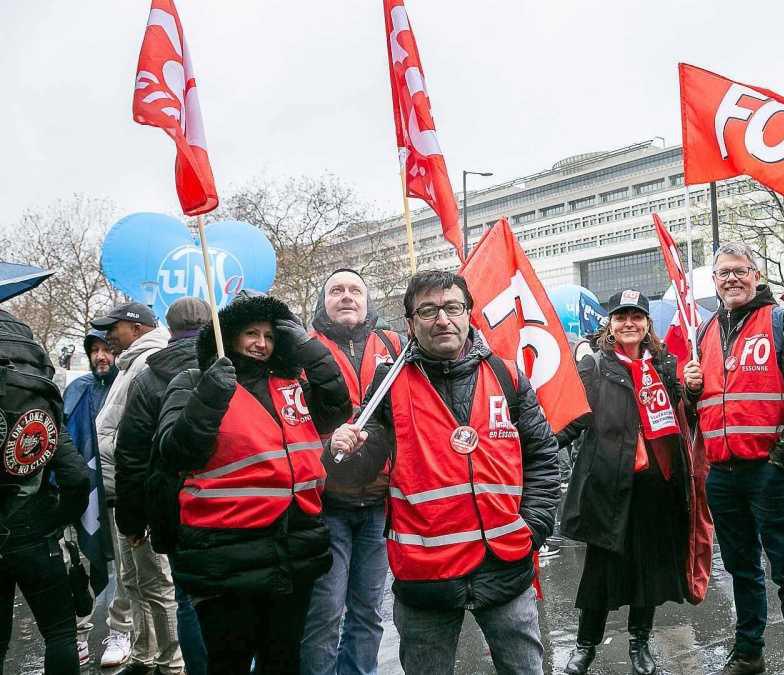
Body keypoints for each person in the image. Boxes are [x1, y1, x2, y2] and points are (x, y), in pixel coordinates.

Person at [329, 270, 559, 675]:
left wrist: (534, 526)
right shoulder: (389, 384)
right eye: (429, 310)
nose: (443, 319)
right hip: (426, 576)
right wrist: (341, 451)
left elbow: (542, 455)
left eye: (453, 308)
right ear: (410, 322)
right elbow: (356, 471)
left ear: (469, 313)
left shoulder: (507, 377)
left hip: (504, 566)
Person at [155, 293, 349, 673]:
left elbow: (336, 408)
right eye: (250, 333)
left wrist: (310, 349)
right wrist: (209, 396)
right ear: (227, 336)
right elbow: (175, 452)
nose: (261, 344)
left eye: (269, 335)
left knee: (283, 660)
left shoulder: (290, 385)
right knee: (230, 662)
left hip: (291, 551)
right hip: (226, 556)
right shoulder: (193, 382)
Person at [682, 242, 784, 675]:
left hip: (768, 470)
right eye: (723, 273)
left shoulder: (782, 321)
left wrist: (782, 460)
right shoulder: (704, 331)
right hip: (722, 473)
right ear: (715, 281)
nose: (732, 279)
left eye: (739, 271)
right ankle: (748, 652)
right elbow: (699, 409)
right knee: (741, 569)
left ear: (756, 275)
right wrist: (689, 390)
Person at [557, 289, 691, 675]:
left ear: (647, 324)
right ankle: (585, 647)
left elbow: (684, 416)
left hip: (656, 487)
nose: (628, 323)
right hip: (608, 488)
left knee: (646, 570)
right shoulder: (595, 367)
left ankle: (639, 643)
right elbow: (573, 417)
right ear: (610, 324)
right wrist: (539, 446)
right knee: (599, 573)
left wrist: (692, 391)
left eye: (636, 316)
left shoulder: (665, 365)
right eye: (621, 317)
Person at [301, 269, 403, 675]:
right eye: (336, 290)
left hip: (380, 501)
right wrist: (327, 444)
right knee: (325, 614)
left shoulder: (393, 345)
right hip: (327, 504)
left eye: (355, 290)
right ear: (322, 301)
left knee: (368, 611)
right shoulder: (304, 350)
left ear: (367, 300)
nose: (347, 297)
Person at [113, 297, 210, 675]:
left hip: (173, 506)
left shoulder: (147, 379)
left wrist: (133, 522)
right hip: (230, 500)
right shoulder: (229, 367)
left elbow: (131, 456)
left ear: (168, 331)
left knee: (186, 599)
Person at [91, 302, 181, 674]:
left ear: (137, 327)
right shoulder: (131, 362)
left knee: (157, 583)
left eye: (115, 327)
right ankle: (147, 654)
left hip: (139, 492)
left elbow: (141, 436)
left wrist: (139, 500)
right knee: (134, 580)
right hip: (123, 491)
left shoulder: (150, 361)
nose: (108, 335)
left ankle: (171, 661)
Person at [0, 307, 90, 675]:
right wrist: (56, 520)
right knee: (59, 632)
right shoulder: (40, 395)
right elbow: (76, 476)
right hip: (33, 529)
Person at [62, 329, 118, 665]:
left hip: (114, 493)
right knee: (79, 566)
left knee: (119, 571)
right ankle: (79, 632)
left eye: (106, 349)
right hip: (81, 493)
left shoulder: (124, 386)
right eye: (95, 350)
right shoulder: (78, 389)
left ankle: (119, 631)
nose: (100, 356)